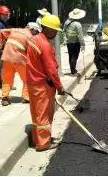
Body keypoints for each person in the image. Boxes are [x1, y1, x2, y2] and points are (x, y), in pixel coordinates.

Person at [26, 14, 66, 151]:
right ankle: (43, 143)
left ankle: (38, 138)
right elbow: (52, 71)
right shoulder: (45, 45)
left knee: (37, 114)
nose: (55, 33)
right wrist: (60, 87)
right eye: (54, 30)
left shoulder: (34, 39)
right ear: (47, 28)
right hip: (42, 86)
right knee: (44, 115)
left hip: (33, 83)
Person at [0, 23, 41, 106]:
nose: (36, 33)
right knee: (27, 79)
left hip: (7, 58)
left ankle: (5, 98)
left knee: (7, 79)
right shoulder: (30, 37)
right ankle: (26, 97)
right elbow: (31, 53)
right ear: (32, 29)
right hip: (20, 60)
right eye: (36, 31)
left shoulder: (14, 29)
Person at [63, 8, 86, 75]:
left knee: (70, 56)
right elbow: (80, 36)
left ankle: (72, 70)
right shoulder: (78, 24)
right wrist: (83, 45)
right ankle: (73, 71)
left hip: (69, 42)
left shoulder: (67, 22)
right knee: (75, 56)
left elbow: (63, 31)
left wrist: (65, 39)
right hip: (76, 43)